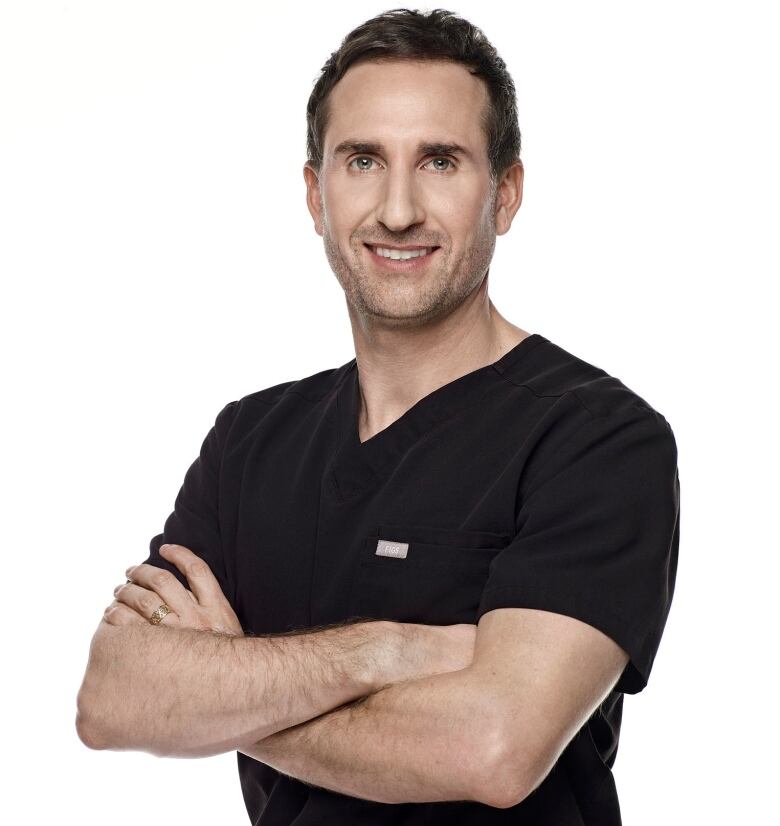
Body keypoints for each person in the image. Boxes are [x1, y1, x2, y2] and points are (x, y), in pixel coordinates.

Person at [75, 8, 680, 825]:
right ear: (315, 193)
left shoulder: (596, 441)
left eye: (440, 160)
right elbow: (114, 701)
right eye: (362, 160)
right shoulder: (250, 441)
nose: (398, 209)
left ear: (504, 193)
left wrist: (225, 690)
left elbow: (494, 750)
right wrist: (389, 649)